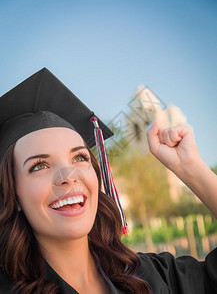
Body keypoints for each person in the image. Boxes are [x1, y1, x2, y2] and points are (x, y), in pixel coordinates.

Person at [0, 68, 216, 294]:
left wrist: (191, 168)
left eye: (79, 157)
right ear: (13, 195)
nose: (68, 176)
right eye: (40, 165)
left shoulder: (152, 277)